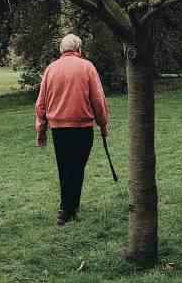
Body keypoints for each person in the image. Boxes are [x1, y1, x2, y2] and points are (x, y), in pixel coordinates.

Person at [36, 34, 109, 226]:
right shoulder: (87, 67)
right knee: (77, 167)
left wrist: (41, 129)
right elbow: (98, 100)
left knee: (65, 166)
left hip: (58, 128)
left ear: (61, 50)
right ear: (79, 49)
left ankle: (67, 207)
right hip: (82, 127)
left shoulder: (51, 69)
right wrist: (103, 123)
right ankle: (68, 207)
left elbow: (41, 104)